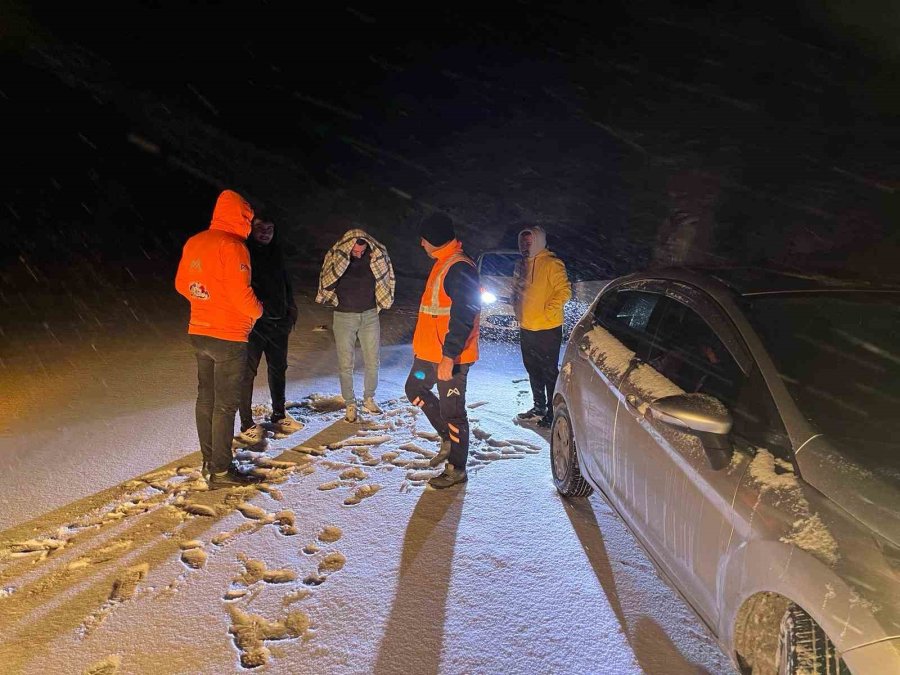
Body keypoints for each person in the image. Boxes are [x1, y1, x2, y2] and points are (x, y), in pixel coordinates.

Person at [175, 189, 263, 489]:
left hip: (199, 331)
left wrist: (205, 299)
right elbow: (242, 296)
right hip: (228, 336)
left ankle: (209, 460)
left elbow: (182, 284)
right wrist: (258, 311)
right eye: (248, 218)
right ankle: (222, 471)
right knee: (225, 405)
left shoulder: (195, 242)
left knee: (206, 399)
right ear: (241, 217)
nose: (250, 225)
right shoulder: (234, 247)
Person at [405, 212, 481, 488]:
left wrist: (449, 356)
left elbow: (464, 316)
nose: (421, 244)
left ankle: (457, 468)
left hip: (450, 358)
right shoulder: (443, 262)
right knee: (415, 389)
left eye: (424, 239)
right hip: (429, 356)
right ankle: (447, 437)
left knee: (454, 413)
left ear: (434, 239)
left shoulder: (459, 267)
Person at [235, 214, 303, 446]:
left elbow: (285, 285)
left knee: (278, 369)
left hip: (278, 322)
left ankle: (279, 414)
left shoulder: (277, 253)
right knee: (247, 373)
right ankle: (246, 422)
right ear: (251, 229)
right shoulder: (244, 252)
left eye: (270, 228)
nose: (265, 232)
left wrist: (290, 310)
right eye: (260, 228)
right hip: (254, 325)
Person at [316, 227, 395, 422]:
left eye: (362, 251)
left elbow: (386, 278)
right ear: (348, 247)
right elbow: (327, 280)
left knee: (372, 360)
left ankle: (369, 398)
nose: (358, 255)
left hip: (369, 315)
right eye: (355, 251)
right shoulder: (337, 258)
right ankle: (350, 403)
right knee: (345, 363)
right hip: (344, 316)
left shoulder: (374, 258)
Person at [512, 225, 571, 428]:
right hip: (527, 326)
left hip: (547, 328)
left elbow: (564, 291)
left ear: (538, 242)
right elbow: (517, 290)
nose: (525, 246)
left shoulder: (552, 264)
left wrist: (547, 310)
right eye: (523, 242)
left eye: (529, 242)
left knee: (548, 371)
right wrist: (516, 306)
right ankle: (539, 407)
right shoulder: (521, 265)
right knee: (532, 368)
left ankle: (553, 410)